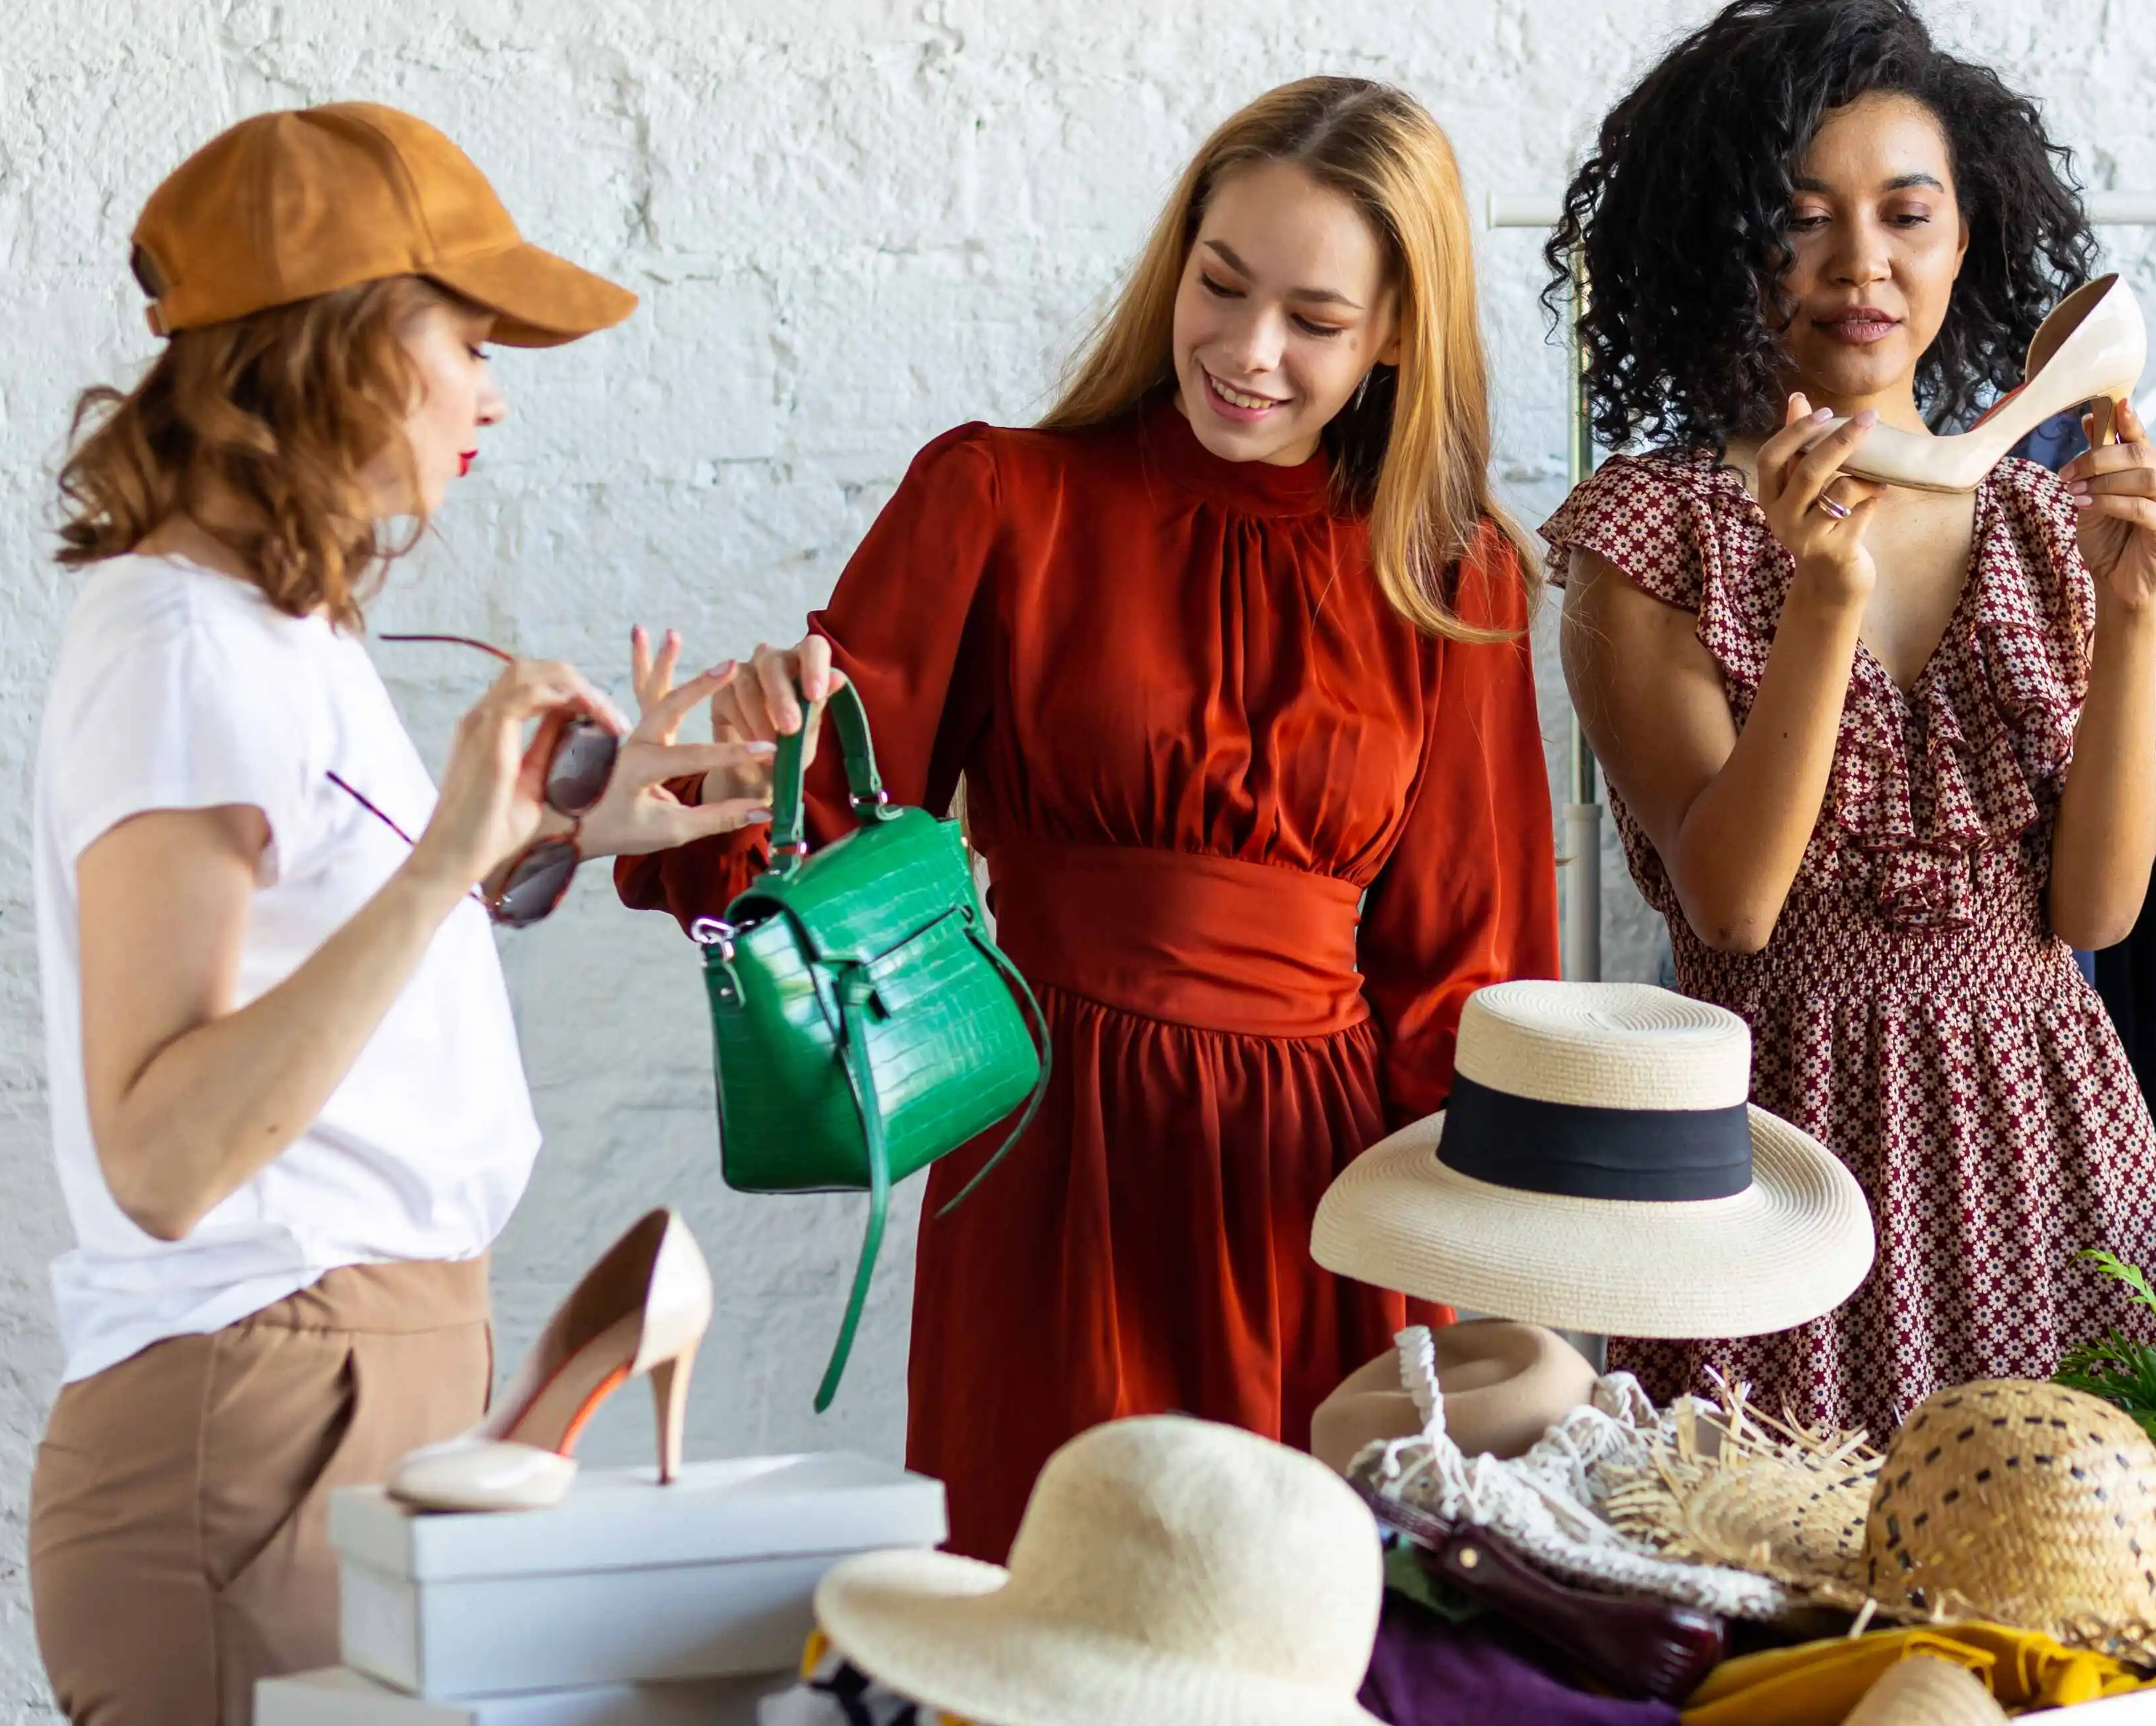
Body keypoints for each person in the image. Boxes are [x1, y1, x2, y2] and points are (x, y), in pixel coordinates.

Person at [24, 102, 760, 1726]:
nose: (492, 403)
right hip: (252, 1415)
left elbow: (321, 1000)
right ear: (343, 340)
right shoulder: (181, 646)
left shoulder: (278, 630)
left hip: (389, 1398)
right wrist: (449, 846)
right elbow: (170, 1143)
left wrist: (548, 843)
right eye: (472, 342)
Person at [627, 78, 1557, 1559]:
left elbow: (1468, 964)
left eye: (1313, 321)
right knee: (1054, 1624)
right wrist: (740, 763)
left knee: (1310, 1642)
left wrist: (1487, 1259)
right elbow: (792, 858)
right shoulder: (1001, 498)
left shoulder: (1450, 578)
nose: (1247, 353)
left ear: (1393, 338)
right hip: (1053, 1164)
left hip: (1323, 1204)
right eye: (1219, 285)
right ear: (1171, 265)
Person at [1541, 0, 2156, 1436]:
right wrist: (1821, 600)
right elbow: (1733, 907)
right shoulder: (1643, 536)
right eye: (1800, 214)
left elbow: (2092, 913)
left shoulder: (2047, 527)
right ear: (1728, 243)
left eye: (1906, 214)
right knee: (1769, 1606)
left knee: (2060, 1596)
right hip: (1770, 1146)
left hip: (2046, 1138)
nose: (1861, 263)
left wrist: (2136, 603)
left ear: (1965, 238)